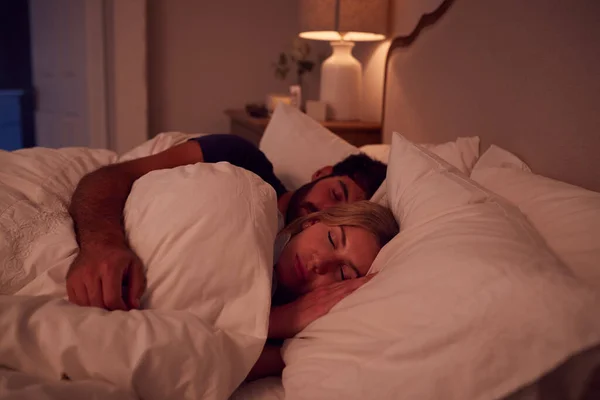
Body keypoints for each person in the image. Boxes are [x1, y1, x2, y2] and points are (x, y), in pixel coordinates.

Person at [66, 134, 387, 311]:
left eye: (342, 212)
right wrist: (102, 244)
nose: (326, 209)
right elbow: (112, 176)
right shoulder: (243, 161)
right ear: (321, 173)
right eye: (335, 192)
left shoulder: (302, 283)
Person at [246, 200, 399, 381]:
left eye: (343, 273)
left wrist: (279, 321)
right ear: (313, 222)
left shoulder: (295, 342)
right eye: (331, 240)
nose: (320, 263)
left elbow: (221, 360)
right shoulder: (257, 218)